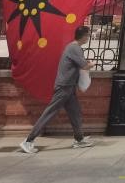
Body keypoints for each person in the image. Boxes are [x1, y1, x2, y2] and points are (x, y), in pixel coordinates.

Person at [19, 25, 94, 154]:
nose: (89, 37)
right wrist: (92, 64)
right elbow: (85, 66)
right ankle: (28, 141)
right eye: (88, 35)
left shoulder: (74, 47)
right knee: (50, 113)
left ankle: (79, 139)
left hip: (69, 86)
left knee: (75, 113)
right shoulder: (74, 48)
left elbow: (79, 64)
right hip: (64, 87)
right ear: (83, 36)